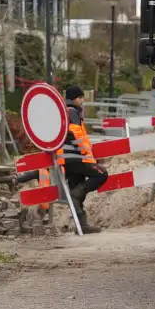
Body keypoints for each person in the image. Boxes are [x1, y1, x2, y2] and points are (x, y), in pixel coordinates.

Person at [60, 85, 108, 234]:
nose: (82, 100)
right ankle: (75, 195)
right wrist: (84, 153)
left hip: (67, 158)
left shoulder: (65, 111)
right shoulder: (72, 111)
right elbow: (76, 134)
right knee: (102, 174)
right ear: (73, 98)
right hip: (76, 157)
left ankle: (81, 225)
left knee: (78, 185)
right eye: (80, 97)